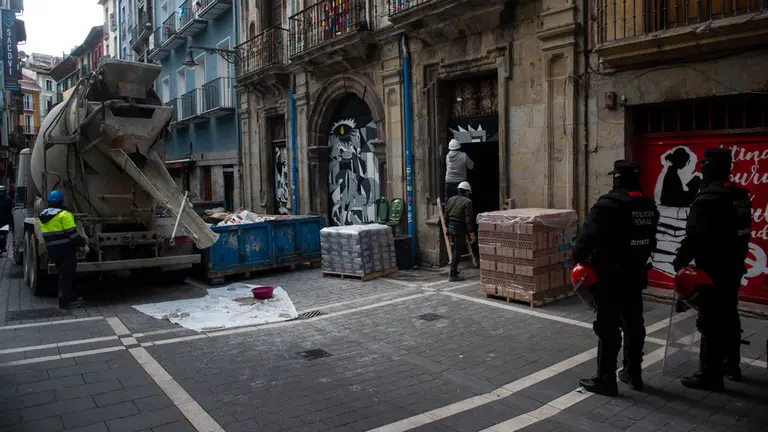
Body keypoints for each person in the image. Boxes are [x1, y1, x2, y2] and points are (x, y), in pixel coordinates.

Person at [572, 160, 659, 396]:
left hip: (610, 276)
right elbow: (651, 241)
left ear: (616, 178)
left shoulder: (608, 205)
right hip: (635, 274)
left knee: (608, 326)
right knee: (633, 324)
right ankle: (633, 372)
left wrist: (577, 259)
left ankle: (606, 378)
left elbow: (585, 239)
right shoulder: (648, 205)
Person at [672, 148, 751, 391]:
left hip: (712, 269)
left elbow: (694, 237)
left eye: (704, 166)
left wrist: (680, 261)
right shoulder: (739, 195)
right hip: (734, 265)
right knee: (729, 313)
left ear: (710, 168)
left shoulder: (707, 199)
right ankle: (731, 364)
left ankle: (710, 373)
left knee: (710, 320)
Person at [37, 190, 87, 309]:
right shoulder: (64, 215)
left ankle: (71, 297)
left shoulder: (43, 216)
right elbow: (73, 235)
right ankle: (65, 301)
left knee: (64, 274)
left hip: (53, 250)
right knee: (67, 275)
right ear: (61, 202)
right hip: (65, 250)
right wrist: (83, 243)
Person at [445, 181, 475, 282]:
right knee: (458, 251)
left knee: (455, 249)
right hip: (459, 228)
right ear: (467, 192)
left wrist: (446, 228)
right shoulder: (467, 202)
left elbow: (446, 215)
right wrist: (472, 234)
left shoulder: (450, 199)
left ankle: (454, 270)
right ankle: (453, 274)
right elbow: (468, 219)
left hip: (451, 227)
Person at [445, 139, 474, 203]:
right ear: (459, 147)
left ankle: (448, 212)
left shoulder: (447, 156)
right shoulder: (464, 155)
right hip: (461, 183)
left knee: (448, 201)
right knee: (462, 201)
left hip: (449, 182)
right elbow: (471, 167)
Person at [0, 186, 12, 254]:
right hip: (5, 220)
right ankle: (3, 247)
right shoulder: (8, 199)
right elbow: (10, 210)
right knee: (3, 234)